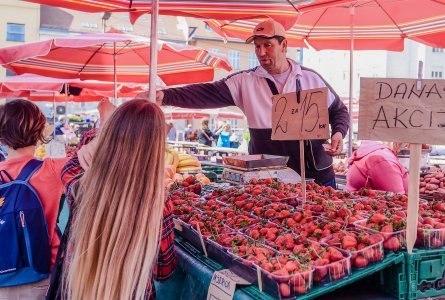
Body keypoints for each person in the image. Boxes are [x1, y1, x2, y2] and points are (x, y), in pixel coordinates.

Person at [142, 18, 350, 187]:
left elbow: (339, 111)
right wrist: (166, 96)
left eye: (267, 45)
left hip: (317, 175)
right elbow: (205, 92)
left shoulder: (310, 78)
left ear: (284, 45)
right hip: (270, 179)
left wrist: (338, 133)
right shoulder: (244, 82)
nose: (261, 53)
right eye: (257, 47)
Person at [49, 99, 176, 299]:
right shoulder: (159, 202)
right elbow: (163, 271)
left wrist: (104, 125)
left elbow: (72, 164)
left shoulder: (80, 186)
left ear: (108, 136)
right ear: (156, 149)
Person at [0, 99, 69, 299]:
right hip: (40, 273)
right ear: (40, 133)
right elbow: (105, 154)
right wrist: (107, 115)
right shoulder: (53, 169)